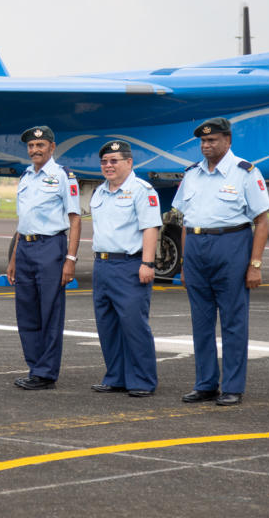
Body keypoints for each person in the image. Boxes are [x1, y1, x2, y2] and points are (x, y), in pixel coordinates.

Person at [173, 117, 269, 407]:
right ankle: (205, 384)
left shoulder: (246, 173)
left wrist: (255, 264)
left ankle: (232, 386)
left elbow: (262, 221)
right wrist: (183, 262)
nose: (206, 145)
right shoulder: (191, 174)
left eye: (212, 140)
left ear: (228, 141)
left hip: (231, 246)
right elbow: (185, 221)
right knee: (201, 322)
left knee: (233, 322)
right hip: (196, 248)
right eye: (203, 141)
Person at [5, 126, 81, 390]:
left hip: (51, 246)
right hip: (24, 247)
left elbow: (74, 218)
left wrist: (70, 258)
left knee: (49, 311)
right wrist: (14, 258)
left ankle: (46, 373)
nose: (35, 150)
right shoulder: (26, 177)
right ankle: (35, 368)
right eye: (31, 146)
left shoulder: (63, 177)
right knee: (26, 311)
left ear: (52, 147)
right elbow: (22, 221)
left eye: (40, 145)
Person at [89, 140, 161, 397]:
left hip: (130, 264)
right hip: (103, 265)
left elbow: (151, 227)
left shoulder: (142, 190)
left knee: (133, 324)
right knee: (107, 324)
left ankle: (142, 380)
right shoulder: (99, 192)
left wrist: (147, 263)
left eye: (114, 161)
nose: (108, 166)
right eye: (104, 162)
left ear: (129, 163)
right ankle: (115, 376)